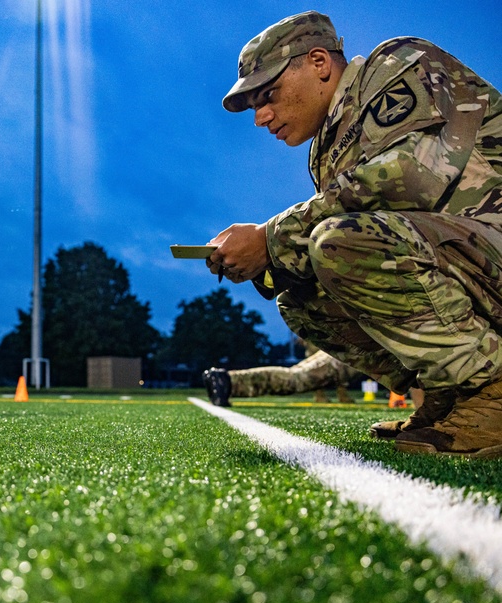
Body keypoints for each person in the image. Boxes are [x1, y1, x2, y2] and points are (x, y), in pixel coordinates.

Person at [206, 11, 502, 458]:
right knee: (300, 294)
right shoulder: (324, 151)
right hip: (468, 268)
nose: (261, 117)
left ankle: (492, 390)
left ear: (320, 62)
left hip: (487, 249)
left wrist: (270, 236)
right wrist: (264, 264)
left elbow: (412, 176)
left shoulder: (395, 65)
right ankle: (449, 394)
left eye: (268, 95)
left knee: (340, 244)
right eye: (254, 106)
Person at [203, 348, 361, 407]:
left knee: (298, 375)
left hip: (364, 346)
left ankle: (227, 382)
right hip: (363, 348)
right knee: (298, 378)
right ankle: (226, 382)